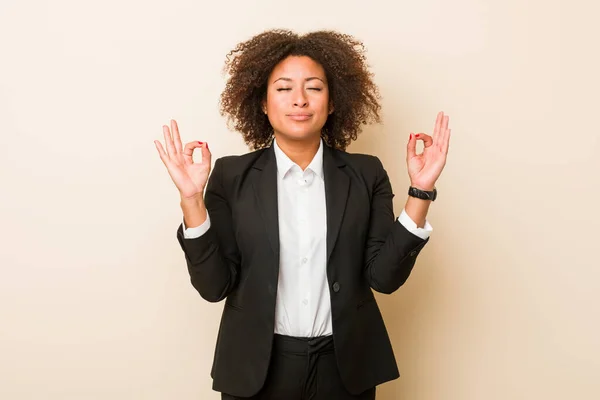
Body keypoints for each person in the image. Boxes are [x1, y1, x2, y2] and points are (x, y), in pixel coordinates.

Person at [154, 29, 451, 400]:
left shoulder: (366, 173)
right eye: (283, 88)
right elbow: (213, 286)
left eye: (313, 87)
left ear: (333, 101)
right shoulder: (231, 176)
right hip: (256, 370)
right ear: (262, 102)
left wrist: (420, 192)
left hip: (345, 370)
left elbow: (384, 277)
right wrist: (191, 199)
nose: (299, 100)